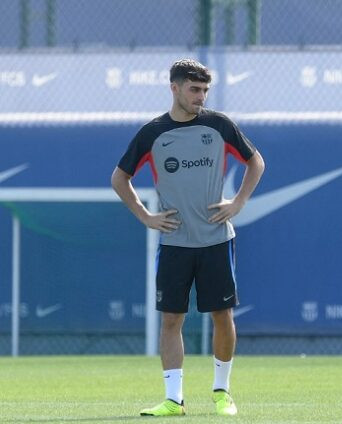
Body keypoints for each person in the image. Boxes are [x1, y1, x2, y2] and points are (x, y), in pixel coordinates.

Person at [111, 58, 265, 417]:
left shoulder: (219, 125)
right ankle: (173, 399)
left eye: (205, 90)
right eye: (194, 89)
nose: (201, 97)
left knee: (222, 315)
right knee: (171, 320)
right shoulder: (152, 133)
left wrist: (239, 201)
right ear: (175, 88)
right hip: (174, 244)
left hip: (216, 240)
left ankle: (222, 393)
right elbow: (120, 177)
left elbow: (255, 161)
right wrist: (145, 216)